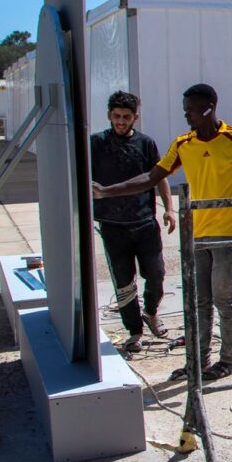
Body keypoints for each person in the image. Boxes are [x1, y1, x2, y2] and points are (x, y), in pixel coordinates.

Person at [92, 83, 232, 383]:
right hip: (196, 234)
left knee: (223, 297)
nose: (186, 115)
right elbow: (151, 177)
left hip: (228, 233)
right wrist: (106, 192)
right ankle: (198, 361)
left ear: (208, 109)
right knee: (199, 301)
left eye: (190, 110)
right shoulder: (183, 144)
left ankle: (229, 360)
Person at [90, 91, 175, 355]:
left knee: (156, 274)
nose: (121, 121)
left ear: (135, 117)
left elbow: (159, 176)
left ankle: (151, 312)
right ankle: (134, 331)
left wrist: (169, 209)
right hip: (112, 224)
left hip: (145, 221)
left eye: (126, 117)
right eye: (116, 116)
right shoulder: (96, 143)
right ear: (109, 115)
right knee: (124, 281)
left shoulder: (145, 143)